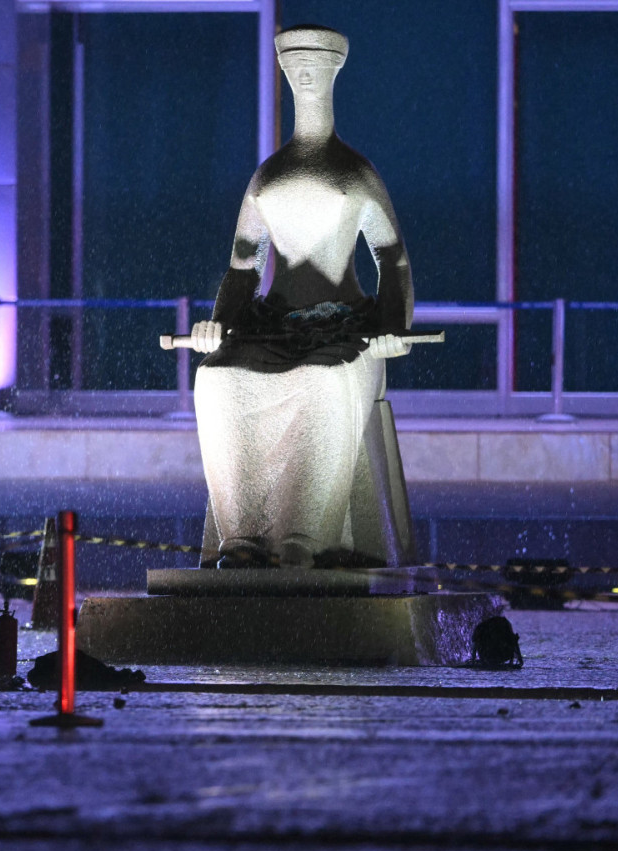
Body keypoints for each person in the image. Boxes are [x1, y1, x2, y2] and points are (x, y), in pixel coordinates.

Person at [188, 25, 415, 569]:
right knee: (216, 380)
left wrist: (393, 325)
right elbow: (244, 268)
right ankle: (241, 537)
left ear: (334, 74)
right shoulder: (267, 179)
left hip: (345, 333)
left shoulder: (355, 173)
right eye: (297, 71)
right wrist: (218, 324)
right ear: (287, 78)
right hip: (274, 327)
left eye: (316, 70)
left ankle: (301, 538)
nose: (306, 77)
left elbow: (394, 260)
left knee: (319, 380)